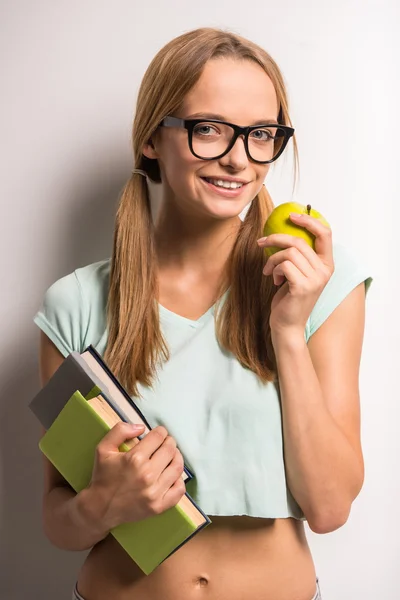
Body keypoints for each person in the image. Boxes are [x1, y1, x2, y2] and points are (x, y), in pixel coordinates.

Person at [34, 27, 373, 600]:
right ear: (151, 138)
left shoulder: (321, 284)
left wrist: (287, 332)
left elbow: (330, 506)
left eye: (261, 135)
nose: (239, 160)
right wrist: (103, 503)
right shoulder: (75, 304)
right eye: (209, 129)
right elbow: (57, 519)